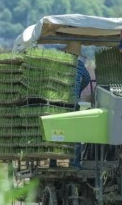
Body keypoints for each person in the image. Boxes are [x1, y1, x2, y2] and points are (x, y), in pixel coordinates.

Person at [49, 41, 91, 169]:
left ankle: (53, 162)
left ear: (66, 52)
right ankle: (74, 163)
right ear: (77, 55)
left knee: (56, 133)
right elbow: (87, 79)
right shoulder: (80, 66)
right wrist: (77, 91)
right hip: (72, 103)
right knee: (75, 133)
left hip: (58, 102)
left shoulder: (58, 65)